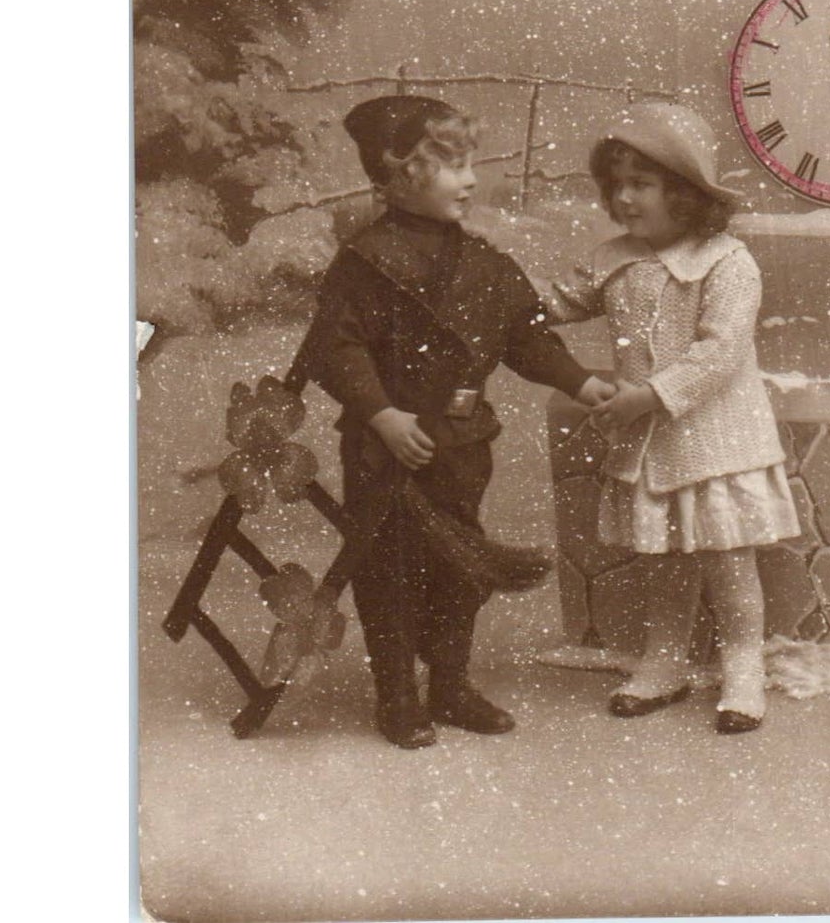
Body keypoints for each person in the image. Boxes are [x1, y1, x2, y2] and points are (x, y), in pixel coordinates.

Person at [294, 95, 612, 749]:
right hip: (387, 449)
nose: (470, 179)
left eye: (470, 163)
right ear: (402, 173)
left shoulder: (485, 265)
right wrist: (381, 414)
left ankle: (448, 681)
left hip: (461, 445)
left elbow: (526, 339)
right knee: (388, 570)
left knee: (460, 569)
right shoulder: (365, 263)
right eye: (453, 166)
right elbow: (335, 349)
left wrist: (578, 378)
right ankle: (397, 694)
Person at [544, 102, 800, 733]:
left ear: (684, 193)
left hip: (713, 441)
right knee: (664, 557)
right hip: (651, 446)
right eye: (617, 184)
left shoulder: (728, 262)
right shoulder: (611, 259)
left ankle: (743, 666)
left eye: (643, 183)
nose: (625, 197)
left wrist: (649, 395)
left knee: (725, 557)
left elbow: (719, 352)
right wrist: (499, 300)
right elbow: (557, 302)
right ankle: (665, 658)